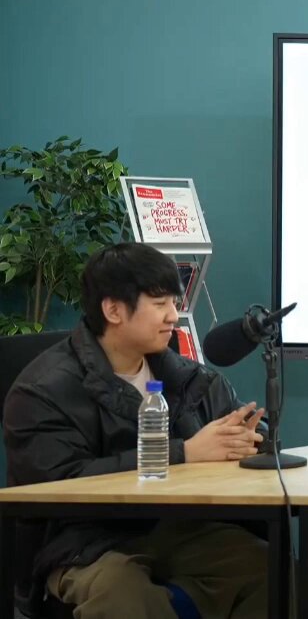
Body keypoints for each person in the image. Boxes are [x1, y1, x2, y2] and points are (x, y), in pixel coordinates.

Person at [3, 242, 271, 619]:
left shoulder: (188, 379)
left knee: (262, 565)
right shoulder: (42, 390)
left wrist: (249, 440)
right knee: (123, 592)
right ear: (113, 310)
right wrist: (185, 453)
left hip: (175, 527)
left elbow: (248, 439)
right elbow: (58, 484)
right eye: (160, 304)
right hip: (81, 543)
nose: (173, 316)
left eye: (174, 303)